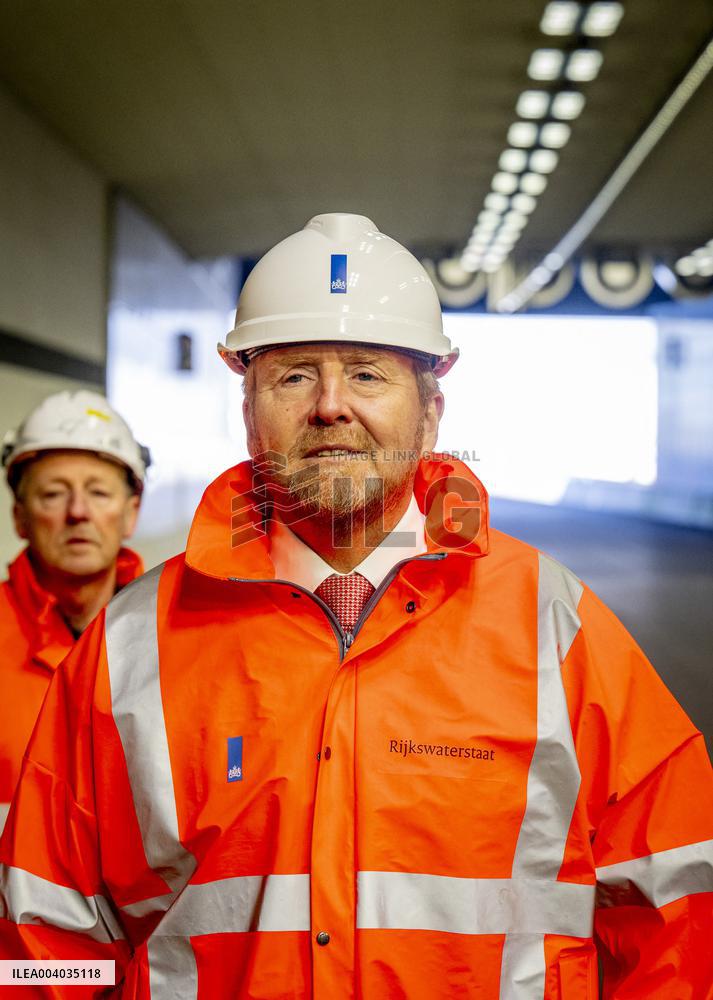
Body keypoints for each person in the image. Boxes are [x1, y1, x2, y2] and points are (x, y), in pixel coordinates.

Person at [0, 214, 711, 999]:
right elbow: (42, 937)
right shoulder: (131, 644)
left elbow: (675, 907)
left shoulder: (555, 625)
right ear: (246, 409)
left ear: (431, 411)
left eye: (368, 373)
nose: (331, 405)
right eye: (294, 375)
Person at [0, 390, 149, 834]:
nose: (78, 513)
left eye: (98, 492)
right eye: (53, 494)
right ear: (20, 518)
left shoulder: (177, 640)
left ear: (130, 514)